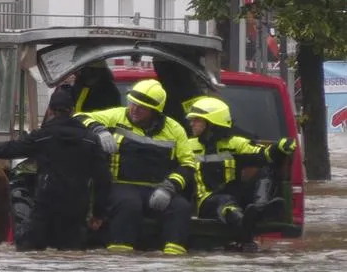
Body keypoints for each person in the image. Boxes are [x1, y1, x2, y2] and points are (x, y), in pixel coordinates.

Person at [75, 78, 197, 255]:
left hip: (157, 190)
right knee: (129, 205)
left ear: (155, 110)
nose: (134, 109)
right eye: (132, 103)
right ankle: (121, 257)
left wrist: (169, 188)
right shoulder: (117, 116)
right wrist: (98, 130)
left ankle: (173, 261)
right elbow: (78, 117)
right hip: (120, 186)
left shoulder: (175, 129)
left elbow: (188, 164)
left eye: (141, 107)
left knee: (181, 208)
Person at [0, 85, 111, 251]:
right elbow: (103, 179)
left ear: (51, 110)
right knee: (72, 250)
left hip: (47, 201)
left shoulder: (43, 136)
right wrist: (98, 213)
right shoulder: (91, 139)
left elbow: (15, 148)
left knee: (31, 248)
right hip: (77, 204)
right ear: (72, 110)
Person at [185, 96, 296, 249]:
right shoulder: (188, 146)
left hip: (236, 197)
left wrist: (279, 147)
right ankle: (246, 223)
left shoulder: (235, 143)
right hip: (207, 202)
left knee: (264, 170)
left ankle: (260, 207)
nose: (191, 123)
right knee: (224, 202)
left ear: (212, 122)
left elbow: (262, 155)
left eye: (196, 120)